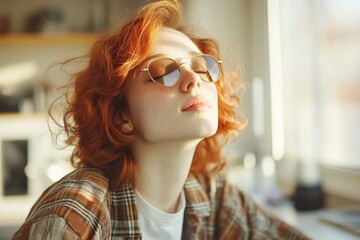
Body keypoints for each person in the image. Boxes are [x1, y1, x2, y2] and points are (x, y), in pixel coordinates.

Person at [13, 1, 309, 239]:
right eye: (165, 71)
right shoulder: (78, 208)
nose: (194, 80)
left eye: (201, 66)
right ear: (121, 115)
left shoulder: (212, 196)